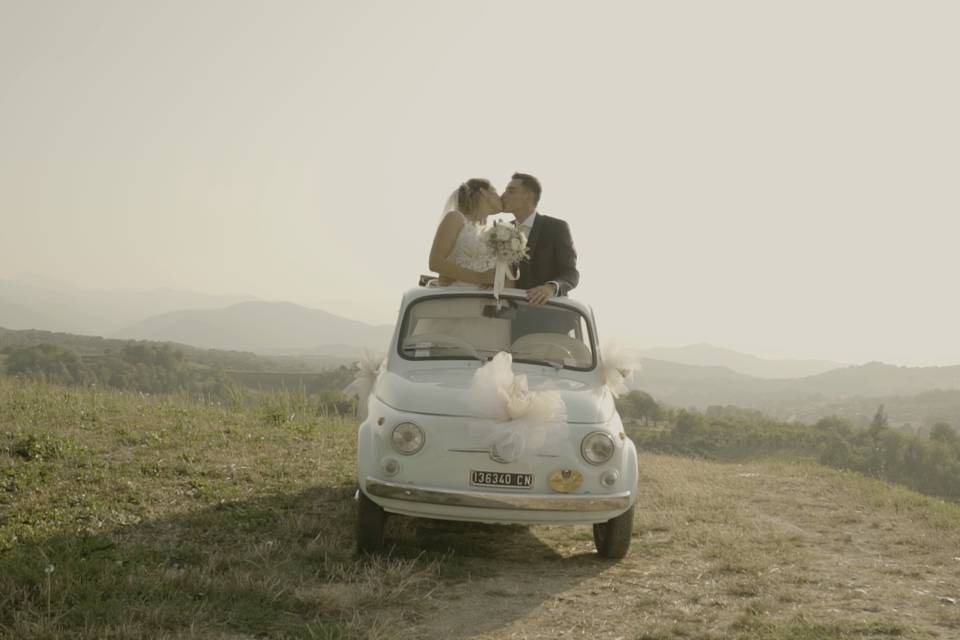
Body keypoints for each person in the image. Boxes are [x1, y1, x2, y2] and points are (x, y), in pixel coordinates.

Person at [500, 172, 579, 305]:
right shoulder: (501, 231)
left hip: (546, 313)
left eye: (511, 191)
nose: (502, 196)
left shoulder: (556, 227)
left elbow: (571, 273)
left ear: (528, 196)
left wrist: (551, 288)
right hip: (508, 315)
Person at [428, 178, 503, 286]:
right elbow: (435, 262)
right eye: (495, 192)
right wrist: (480, 277)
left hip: (484, 299)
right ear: (483, 192)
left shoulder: (494, 232)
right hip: (457, 294)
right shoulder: (455, 218)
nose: (500, 197)